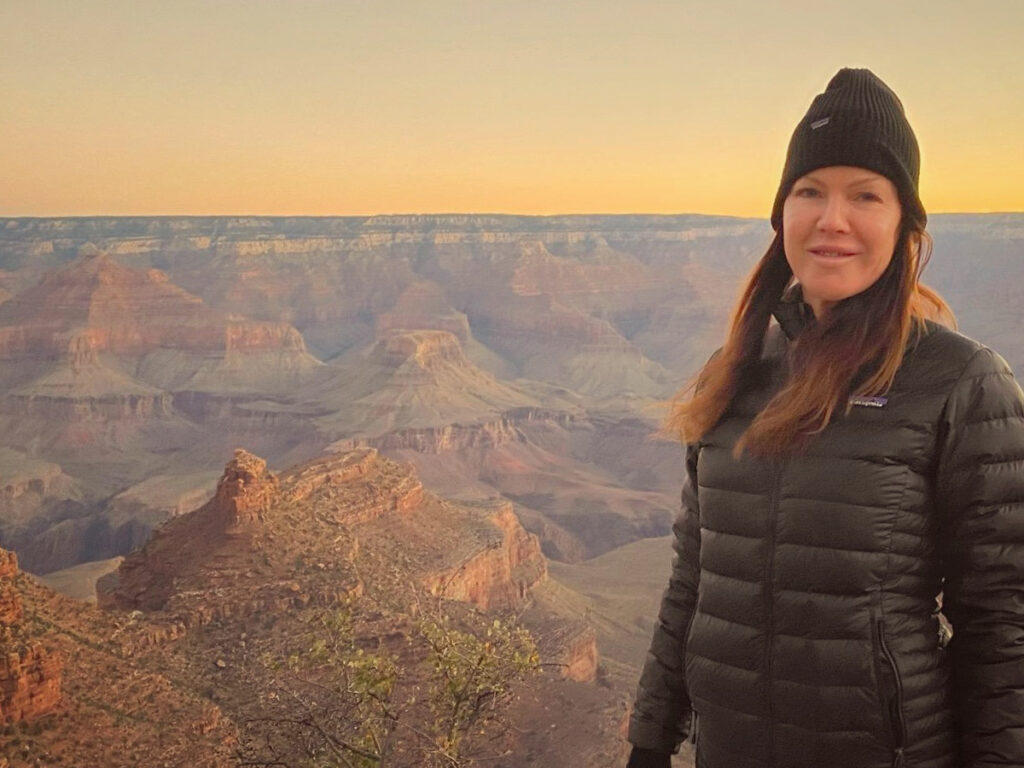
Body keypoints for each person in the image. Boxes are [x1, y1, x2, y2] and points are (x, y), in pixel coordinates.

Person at [626, 68, 1024, 768]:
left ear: (905, 224)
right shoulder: (739, 370)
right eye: (809, 191)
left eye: (865, 195)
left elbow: (1004, 626)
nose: (831, 220)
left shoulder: (960, 382)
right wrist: (649, 741)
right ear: (781, 214)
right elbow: (695, 582)